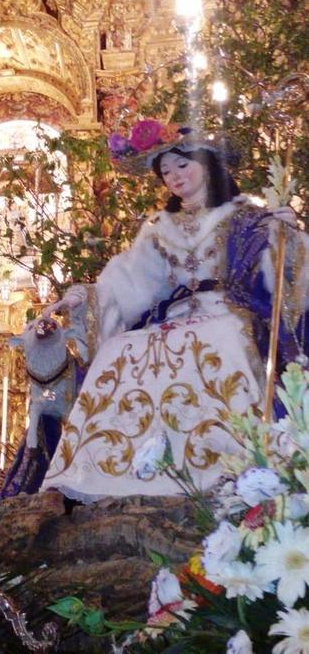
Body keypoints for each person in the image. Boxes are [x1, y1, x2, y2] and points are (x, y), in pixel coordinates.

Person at [39, 121, 309, 503]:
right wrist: (83, 297)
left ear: (208, 164)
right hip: (174, 317)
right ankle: (108, 468)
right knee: (121, 349)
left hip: (228, 312)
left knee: (224, 339)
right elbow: (130, 281)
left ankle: (232, 461)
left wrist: (287, 238)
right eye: (166, 172)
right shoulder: (158, 229)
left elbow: (282, 276)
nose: (174, 177)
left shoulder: (245, 216)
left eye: (183, 166)